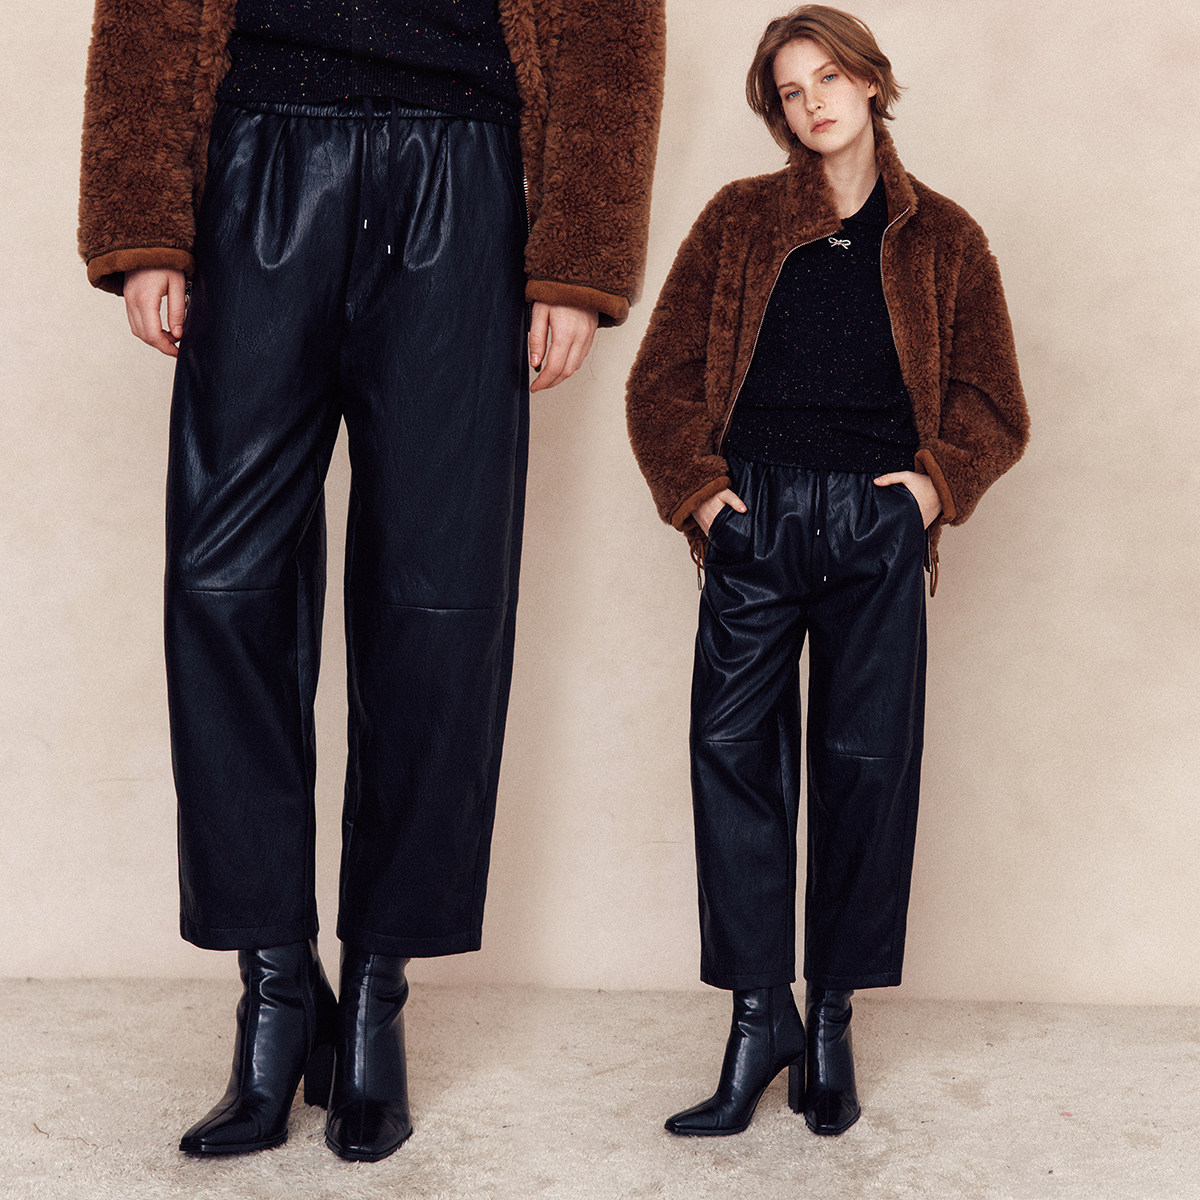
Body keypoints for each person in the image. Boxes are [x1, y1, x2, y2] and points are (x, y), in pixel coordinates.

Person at [78, 0, 664, 1162]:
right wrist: (144, 220)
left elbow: (613, 23)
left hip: (465, 168)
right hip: (258, 157)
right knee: (222, 586)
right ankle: (275, 993)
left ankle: (377, 1002)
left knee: (441, 599)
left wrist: (580, 253)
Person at [626, 4, 1028, 1138]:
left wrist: (931, 492)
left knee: (864, 766)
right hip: (754, 520)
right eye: (791, 91)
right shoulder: (739, 219)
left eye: (828, 79)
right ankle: (760, 1021)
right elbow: (660, 378)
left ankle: (834, 1022)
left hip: (873, 523)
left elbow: (994, 402)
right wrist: (703, 496)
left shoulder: (945, 238)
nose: (813, 104)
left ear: (871, 82)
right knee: (731, 755)